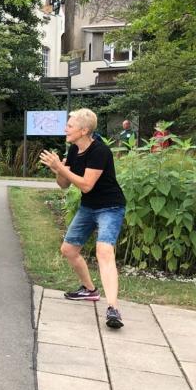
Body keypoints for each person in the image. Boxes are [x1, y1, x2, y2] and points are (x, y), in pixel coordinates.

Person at [39, 108, 126, 329]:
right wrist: (57, 169)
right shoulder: (74, 149)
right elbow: (64, 184)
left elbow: (86, 185)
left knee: (104, 251)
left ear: (84, 130)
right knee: (69, 250)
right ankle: (89, 290)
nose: (65, 129)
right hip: (89, 207)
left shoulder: (100, 151)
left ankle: (113, 309)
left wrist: (60, 167)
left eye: (70, 126)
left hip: (110, 207)